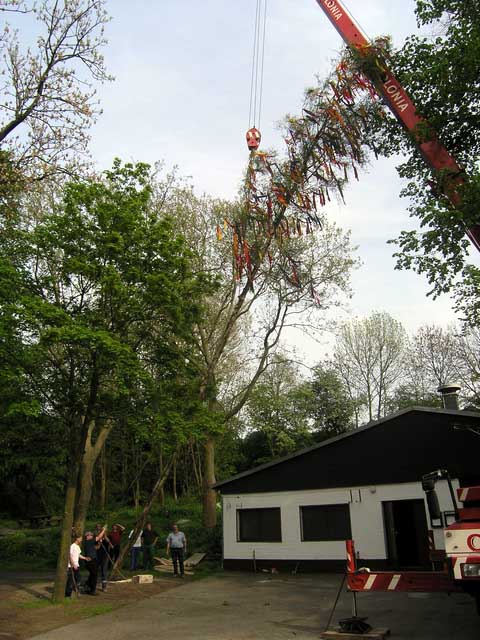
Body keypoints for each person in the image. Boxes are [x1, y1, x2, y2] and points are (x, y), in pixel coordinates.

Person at [83, 527, 105, 595]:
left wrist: (100, 543)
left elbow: (96, 548)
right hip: (91, 561)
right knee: (94, 575)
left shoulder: (88, 543)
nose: (92, 536)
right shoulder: (89, 541)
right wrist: (104, 530)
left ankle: (87, 586)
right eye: (91, 535)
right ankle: (92, 590)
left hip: (92, 561)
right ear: (88, 536)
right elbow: (99, 536)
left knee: (92, 575)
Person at [95, 523, 113, 592]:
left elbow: (109, 542)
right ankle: (93, 585)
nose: (99, 529)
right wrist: (99, 541)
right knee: (96, 570)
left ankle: (104, 586)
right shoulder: (95, 536)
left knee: (104, 570)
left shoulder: (106, 536)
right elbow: (96, 547)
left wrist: (104, 535)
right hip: (97, 555)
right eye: (97, 527)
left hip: (105, 556)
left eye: (100, 527)